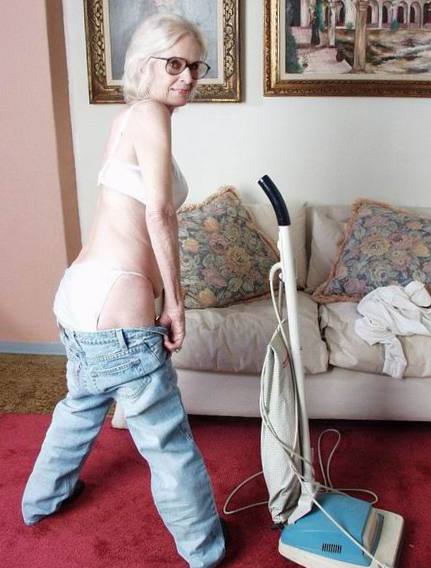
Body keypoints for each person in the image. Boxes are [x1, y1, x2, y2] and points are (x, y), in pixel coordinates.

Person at [21, 13, 225, 568]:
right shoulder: (150, 114)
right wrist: (176, 302)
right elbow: (159, 212)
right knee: (166, 439)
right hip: (117, 301)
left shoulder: (127, 119)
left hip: (80, 295)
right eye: (175, 63)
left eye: (196, 66)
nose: (188, 77)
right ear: (145, 64)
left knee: (81, 406)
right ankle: (205, 551)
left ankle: (39, 502)